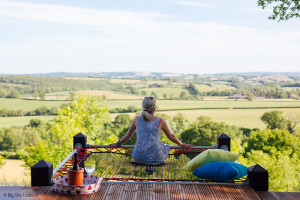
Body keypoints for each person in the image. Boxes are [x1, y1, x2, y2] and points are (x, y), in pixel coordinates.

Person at [108, 96, 193, 165]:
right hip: (157, 157)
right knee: (165, 146)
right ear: (154, 108)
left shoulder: (136, 119)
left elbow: (128, 135)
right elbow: (171, 136)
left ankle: (148, 168)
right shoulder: (160, 121)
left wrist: (117, 143)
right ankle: (152, 168)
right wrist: (181, 144)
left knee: (137, 149)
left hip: (138, 157)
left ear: (143, 107)